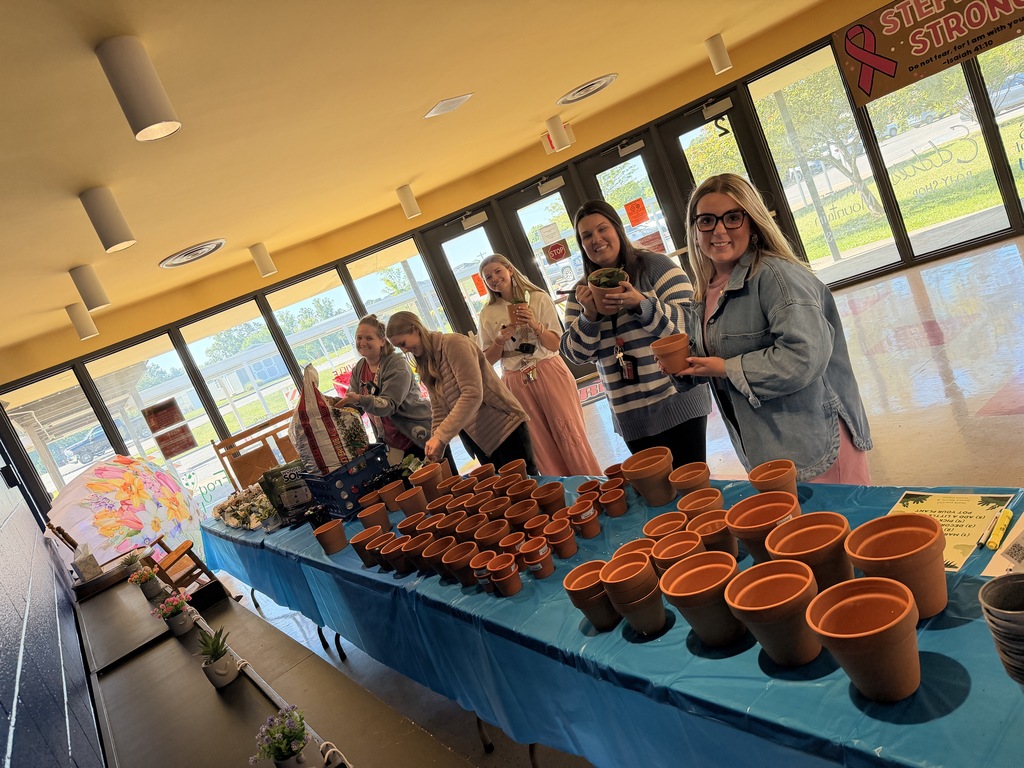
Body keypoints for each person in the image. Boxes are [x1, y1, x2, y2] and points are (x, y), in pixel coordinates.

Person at [680, 173, 872, 484]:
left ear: (752, 223)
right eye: (706, 221)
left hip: (813, 444)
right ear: (694, 229)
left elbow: (803, 358)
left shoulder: (777, 277)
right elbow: (712, 357)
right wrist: (684, 366)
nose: (718, 230)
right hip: (765, 447)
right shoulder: (704, 292)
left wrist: (727, 368)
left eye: (732, 218)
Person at [560, 200, 712, 468]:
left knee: (693, 487)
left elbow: (690, 324)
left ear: (617, 230)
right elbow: (576, 355)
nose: (596, 239)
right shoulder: (581, 292)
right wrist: (589, 317)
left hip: (678, 402)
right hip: (630, 415)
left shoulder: (656, 267)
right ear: (582, 245)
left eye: (602, 229)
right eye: (586, 236)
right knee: (658, 496)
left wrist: (640, 303)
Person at [477, 254, 602, 477]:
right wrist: (499, 340)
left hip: (548, 369)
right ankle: (563, 495)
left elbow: (556, 345)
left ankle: (591, 485)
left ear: (510, 270)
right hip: (515, 379)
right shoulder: (487, 313)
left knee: (570, 434)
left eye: (498, 272)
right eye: (488, 277)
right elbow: (486, 360)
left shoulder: (537, 298)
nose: (494, 279)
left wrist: (534, 324)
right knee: (539, 445)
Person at [385, 311, 538, 473]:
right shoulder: (425, 362)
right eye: (399, 347)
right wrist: (436, 441)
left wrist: (441, 436)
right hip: (479, 440)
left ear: (415, 329)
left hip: (505, 429)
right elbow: (438, 408)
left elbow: (472, 394)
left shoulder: (454, 344)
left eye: (403, 343)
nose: (405, 351)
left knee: (526, 490)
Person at [337, 314, 456, 474]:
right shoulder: (359, 368)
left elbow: (388, 405)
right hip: (393, 446)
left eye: (369, 338)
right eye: (359, 338)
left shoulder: (396, 363)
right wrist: (335, 405)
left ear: (382, 341)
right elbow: (355, 405)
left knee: (443, 484)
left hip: (420, 437)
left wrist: (359, 398)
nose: (362, 343)